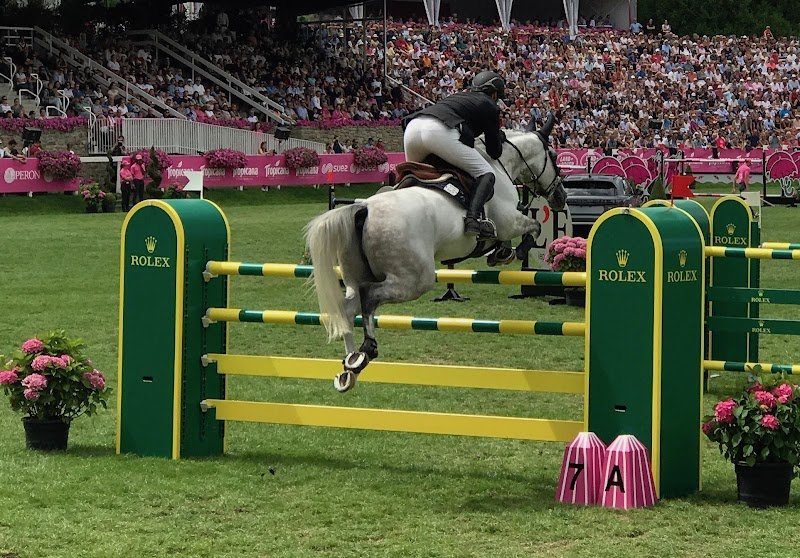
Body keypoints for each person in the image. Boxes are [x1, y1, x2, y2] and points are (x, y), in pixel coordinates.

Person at [402, 70, 506, 239]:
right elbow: (494, 152)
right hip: (439, 131)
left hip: (413, 127)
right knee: (486, 173)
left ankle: (395, 196)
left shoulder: (460, 96)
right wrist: (499, 137)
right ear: (494, 94)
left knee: (414, 174)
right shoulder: (490, 105)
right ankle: (472, 219)